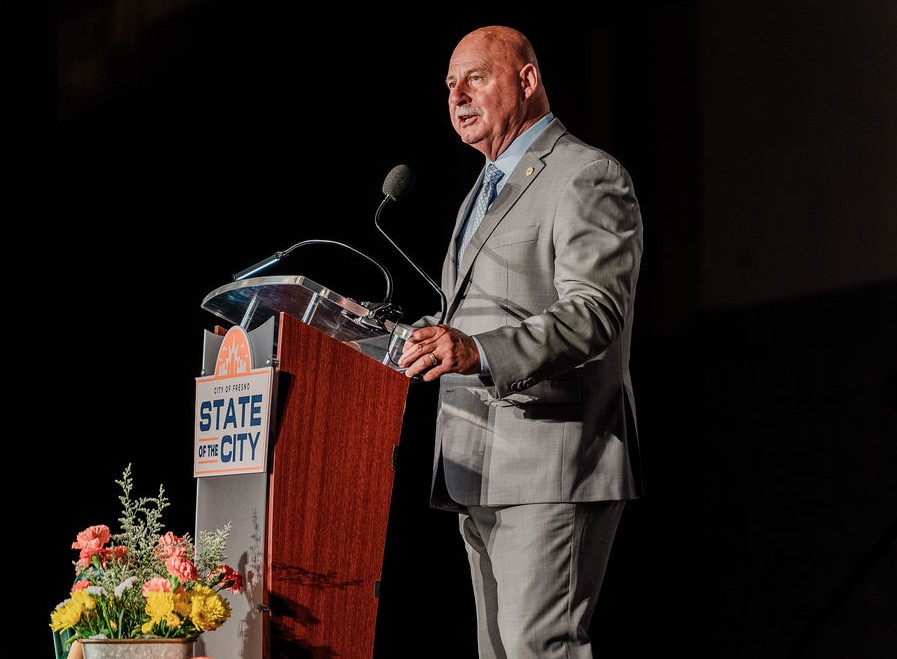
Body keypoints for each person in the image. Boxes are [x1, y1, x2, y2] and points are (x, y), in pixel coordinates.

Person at [396, 25, 644, 659]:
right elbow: (483, 312)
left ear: (527, 80)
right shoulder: (481, 191)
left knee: (541, 650)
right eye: (450, 85)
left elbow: (594, 314)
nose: (457, 96)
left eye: (476, 77)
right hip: (477, 464)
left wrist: (477, 352)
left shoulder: (586, 175)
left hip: (551, 459)